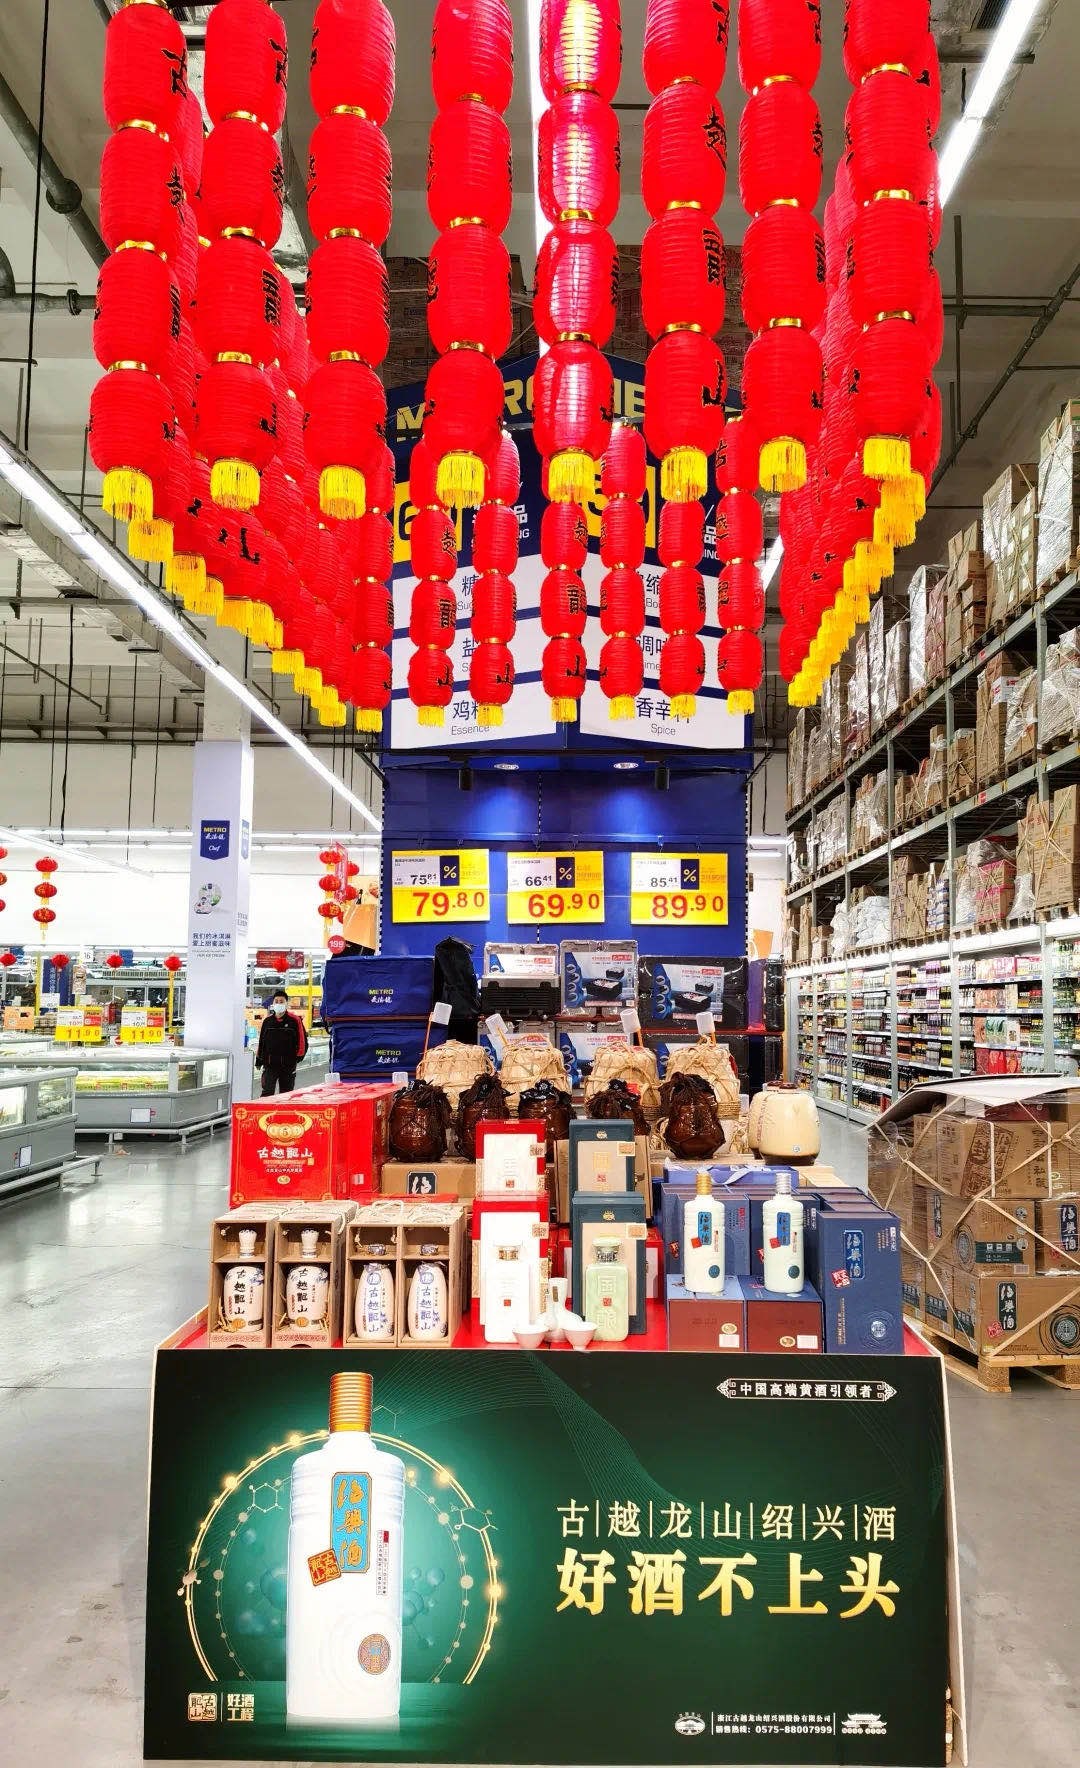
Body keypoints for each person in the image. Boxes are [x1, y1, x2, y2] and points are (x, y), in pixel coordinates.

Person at [254, 990, 308, 1095]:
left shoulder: (295, 1020)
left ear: (286, 1003)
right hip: (270, 1064)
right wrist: (259, 1059)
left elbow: (302, 1040)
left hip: (288, 1065)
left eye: (281, 1001)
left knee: (286, 1094)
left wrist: (298, 1057)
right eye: (276, 1001)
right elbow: (262, 1042)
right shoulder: (267, 1021)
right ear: (273, 1003)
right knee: (267, 1093)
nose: (279, 1003)